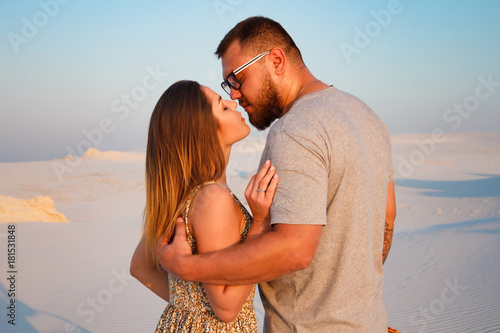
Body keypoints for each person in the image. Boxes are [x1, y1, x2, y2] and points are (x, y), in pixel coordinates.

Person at [157, 16, 397, 332]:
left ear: (276, 60)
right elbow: (387, 220)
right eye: (227, 85)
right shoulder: (368, 117)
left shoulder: (294, 131)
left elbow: (294, 250)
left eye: (237, 78)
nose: (234, 95)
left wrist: (185, 267)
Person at [130, 80, 279, 332]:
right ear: (205, 131)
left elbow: (140, 268)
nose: (233, 103)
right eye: (222, 106)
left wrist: (191, 306)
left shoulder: (182, 193)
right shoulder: (213, 198)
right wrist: (260, 224)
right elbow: (226, 307)